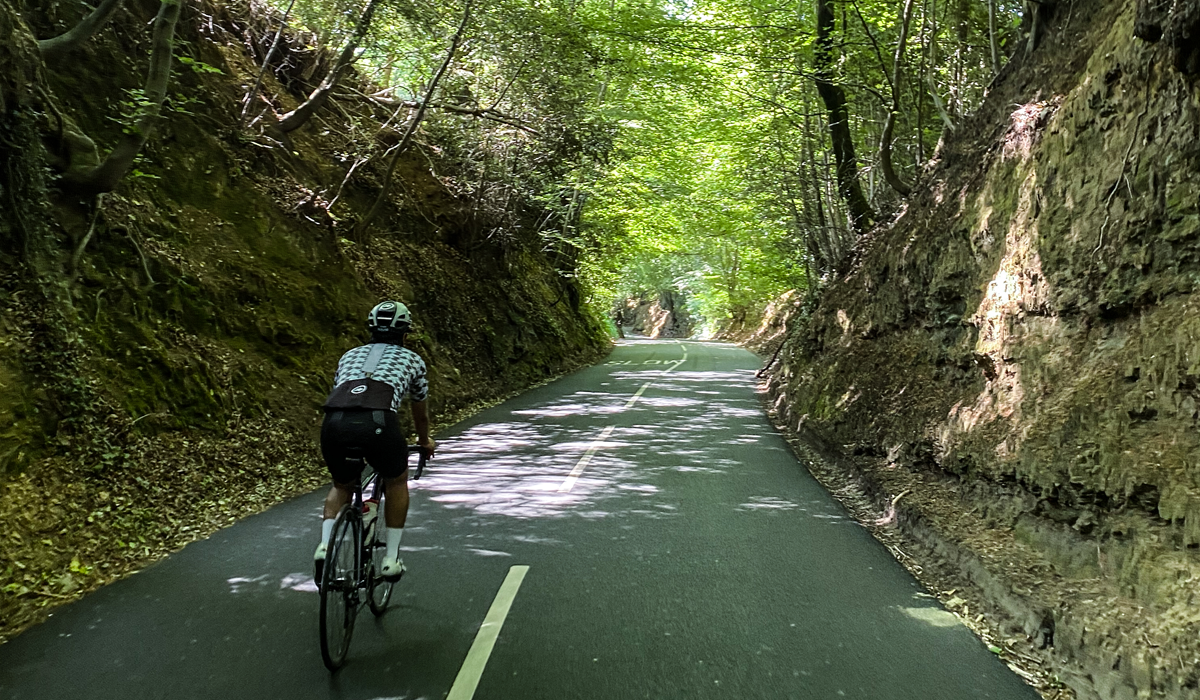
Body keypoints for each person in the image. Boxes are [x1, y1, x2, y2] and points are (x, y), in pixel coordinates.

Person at [314, 300, 436, 581]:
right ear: (405, 333)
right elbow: (420, 413)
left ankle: (325, 545)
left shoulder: (349, 355)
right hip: (379, 422)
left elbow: (343, 393)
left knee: (341, 485)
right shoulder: (413, 360)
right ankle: (391, 559)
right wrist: (424, 440)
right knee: (396, 480)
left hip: (334, 423)